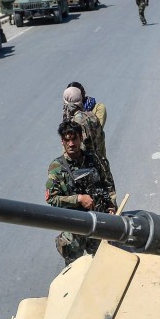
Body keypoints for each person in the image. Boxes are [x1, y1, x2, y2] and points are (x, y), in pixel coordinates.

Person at [45, 120, 117, 266]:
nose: (71, 144)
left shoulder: (94, 158)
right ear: (62, 142)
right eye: (67, 140)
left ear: (80, 138)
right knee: (74, 270)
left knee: (102, 265)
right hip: (74, 228)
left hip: (97, 224)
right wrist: (78, 199)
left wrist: (111, 205)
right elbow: (52, 199)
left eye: (74, 139)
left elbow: (108, 183)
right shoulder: (56, 168)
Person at [62, 85, 114, 192]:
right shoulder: (91, 116)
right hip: (100, 164)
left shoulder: (74, 123)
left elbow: (76, 149)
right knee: (105, 197)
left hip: (84, 170)